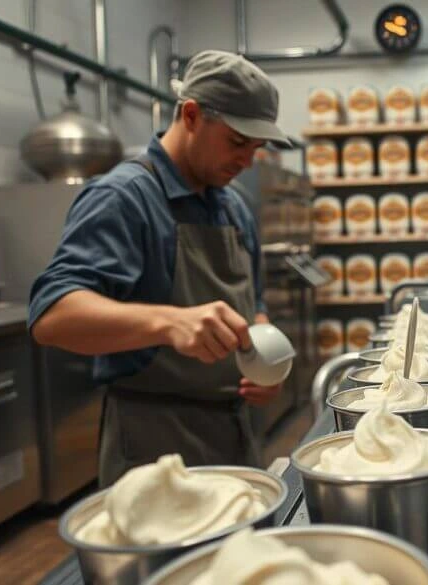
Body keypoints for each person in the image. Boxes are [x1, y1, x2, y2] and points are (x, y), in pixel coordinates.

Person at [28, 50, 291, 486]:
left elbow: (254, 306)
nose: (247, 161)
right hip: (154, 451)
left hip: (235, 438)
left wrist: (267, 367)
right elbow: (51, 316)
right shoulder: (125, 197)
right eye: (238, 142)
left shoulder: (234, 208)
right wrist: (168, 322)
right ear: (191, 115)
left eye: (257, 148)